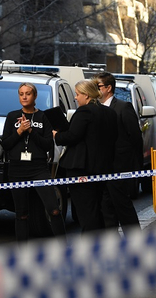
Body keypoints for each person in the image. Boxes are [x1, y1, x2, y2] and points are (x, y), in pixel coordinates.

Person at [1, 82, 66, 241]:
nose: (24, 96)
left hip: (38, 168)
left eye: (28, 93)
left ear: (35, 96)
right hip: (16, 169)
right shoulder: (11, 116)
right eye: (21, 93)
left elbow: (47, 145)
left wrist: (30, 131)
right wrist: (20, 131)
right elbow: (6, 144)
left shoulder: (43, 116)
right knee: (21, 214)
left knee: (54, 210)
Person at [53, 80, 118, 233]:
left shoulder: (84, 112)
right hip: (103, 168)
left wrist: (57, 135)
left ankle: (90, 247)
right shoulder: (110, 112)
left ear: (86, 95)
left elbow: (73, 136)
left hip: (81, 169)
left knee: (86, 212)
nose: (75, 98)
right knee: (99, 209)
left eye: (77, 94)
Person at [93, 72, 142, 235]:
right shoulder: (95, 109)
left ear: (108, 88)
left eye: (97, 86)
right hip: (101, 166)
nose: (95, 89)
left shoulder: (123, 107)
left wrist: (135, 166)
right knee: (106, 206)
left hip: (119, 166)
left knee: (122, 205)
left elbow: (135, 137)